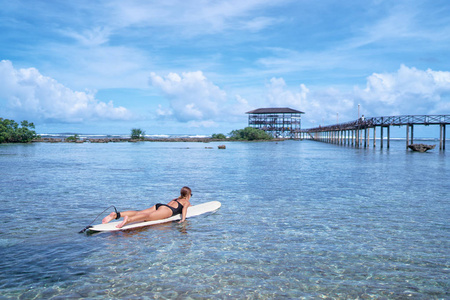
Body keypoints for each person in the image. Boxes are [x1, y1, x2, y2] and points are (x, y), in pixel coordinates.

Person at [102, 186, 192, 228]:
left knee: (140, 212)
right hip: (167, 211)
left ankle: (116, 215)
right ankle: (128, 220)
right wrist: (183, 220)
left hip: (160, 206)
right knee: (147, 217)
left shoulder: (175, 199)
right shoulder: (186, 202)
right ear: (188, 195)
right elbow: (184, 209)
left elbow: (168, 205)